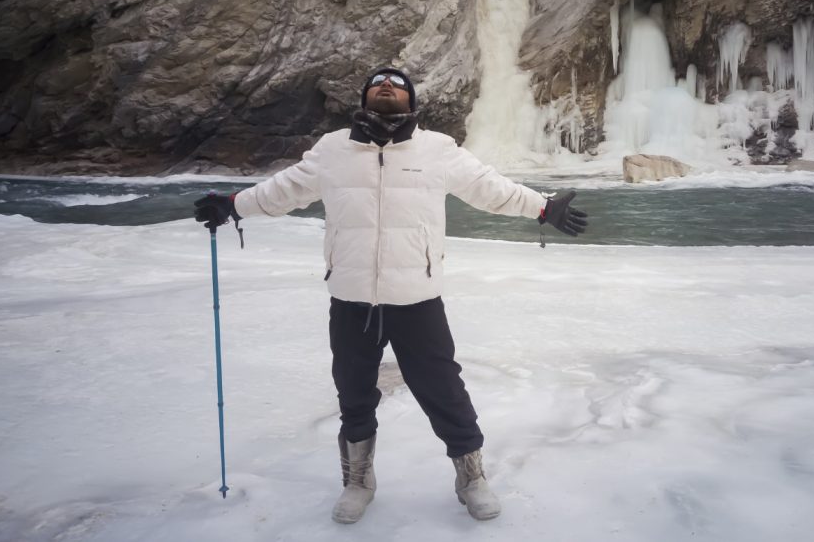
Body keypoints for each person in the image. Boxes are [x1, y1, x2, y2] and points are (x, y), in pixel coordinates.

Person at [193, 67, 588, 524]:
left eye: (397, 84)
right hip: (351, 297)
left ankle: (471, 478)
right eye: (379, 82)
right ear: (364, 97)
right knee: (354, 394)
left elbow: (489, 189)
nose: (387, 86)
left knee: (444, 391)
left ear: (410, 100)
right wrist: (232, 205)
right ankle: (359, 482)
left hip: (416, 297)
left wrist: (543, 208)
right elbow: (284, 191)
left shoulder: (437, 149)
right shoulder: (333, 150)